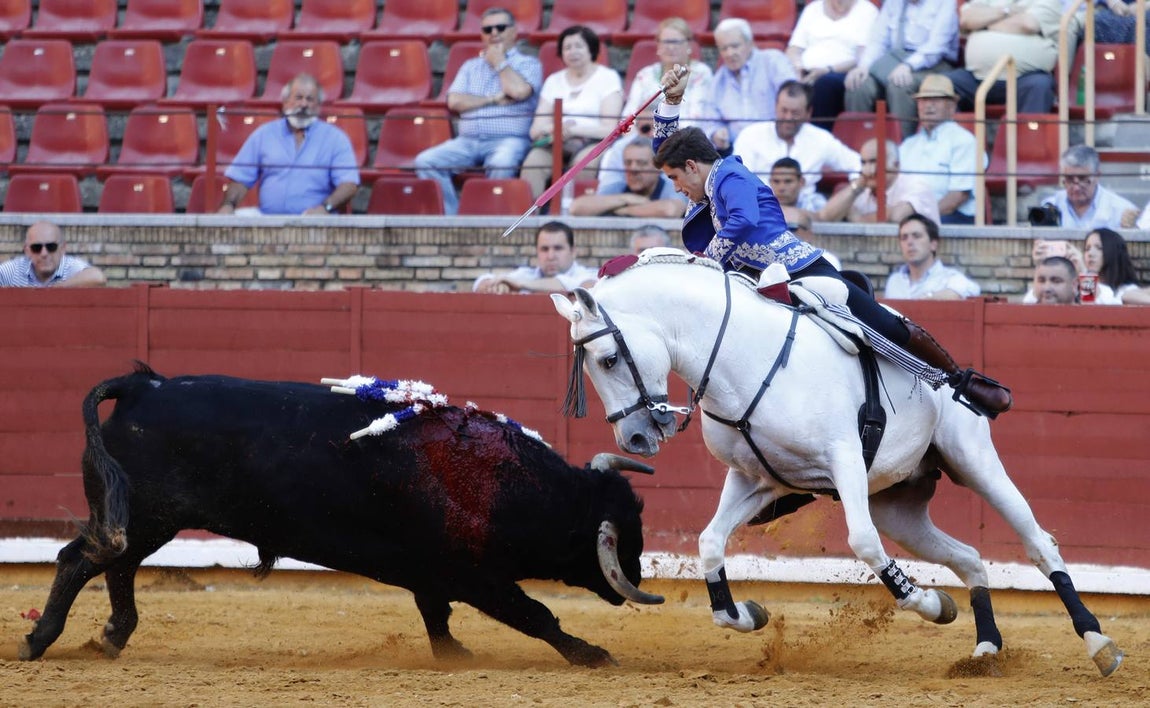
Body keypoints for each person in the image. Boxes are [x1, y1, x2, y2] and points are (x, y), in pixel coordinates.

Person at [652, 65, 1011, 418]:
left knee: (876, 325)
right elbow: (665, 149)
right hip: (758, 280)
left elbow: (744, 219)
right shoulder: (707, 181)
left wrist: (705, 263)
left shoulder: (730, 175)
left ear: (692, 166)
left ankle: (957, 380)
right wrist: (671, 100)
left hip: (801, 272)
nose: (676, 187)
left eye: (675, 178)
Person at [415, 8, 543, 216]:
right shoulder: (470, 66)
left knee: (501, 162)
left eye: (500, 27)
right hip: (467, 141)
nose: (494, 33)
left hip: (508, 139)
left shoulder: (529, 64)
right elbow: (454, 101)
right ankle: (453, 221)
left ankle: (493, 219)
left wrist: (499, 63)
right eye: (487, 29)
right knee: (426, 161)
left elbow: (519, 91)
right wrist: (492, 99)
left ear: (514, 31)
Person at [219, 73, 359, 215]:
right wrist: (228, 205)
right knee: (231, 221)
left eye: (310, 99)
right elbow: (240, 178)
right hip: (267, 218)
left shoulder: (335, 138)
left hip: (314, 221)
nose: (304, 104)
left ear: (318, 106)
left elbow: (349, 184)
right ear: (285, 103)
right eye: (298, 98)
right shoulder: (264, 134)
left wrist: (325, 208)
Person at [519, 25, 623, 200]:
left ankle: (571, 215)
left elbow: (610, 129)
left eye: (578, 46)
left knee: (582, 165)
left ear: (591, 49)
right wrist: (555, 129)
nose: (572, 52)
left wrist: (573, 129)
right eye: (567, 47)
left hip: (593, 141)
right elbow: (535, 129)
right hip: (556, 140)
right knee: (532, 164)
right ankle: (529, 218)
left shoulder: (608, 78)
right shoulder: (554, 81)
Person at [733, 80, 861, 209]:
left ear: (808, 113)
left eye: (795, 113)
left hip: (806, 210)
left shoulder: (821, 139)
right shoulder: (750, 135)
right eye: (784, 110)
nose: (788, 117)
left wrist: (856, 188)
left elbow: (857, 164)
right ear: (775, 106)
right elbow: (738, 181)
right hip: (760, 208)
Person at [844, 0, 960, 139]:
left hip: (932, 64)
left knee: (901, 84)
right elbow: (878, 40)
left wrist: (908, 65)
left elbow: (936, 47)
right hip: (894, 61)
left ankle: (903, 148)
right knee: (858, 84)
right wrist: (863, 66)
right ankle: (863, 149)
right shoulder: (893, 2)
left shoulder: (945, 3)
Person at [698, 18, 796, 156]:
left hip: (777, 144)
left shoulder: (773, 61)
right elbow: (709, 120)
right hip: (737, 151)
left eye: (735, 46)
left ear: (750, 43)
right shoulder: (718, 80)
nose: (729, 53)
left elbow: (794, 98)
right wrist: (716, 134)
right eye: (724, 48)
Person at [944, 0, 1062, 114]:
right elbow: (966, 19)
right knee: (944, 85)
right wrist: (1006, 11)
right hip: (976, 78)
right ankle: (954, 134)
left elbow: (1028, 24)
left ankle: (1028, 135)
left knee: (1039, 85)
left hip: (1024, 79)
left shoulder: (1048, 1)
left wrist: (984, 25)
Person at [897, 74, 981, 225]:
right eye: (923, 100)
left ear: (952, 106)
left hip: (953, 216)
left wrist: (919, 217)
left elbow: (958, 197)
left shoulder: (964, 141)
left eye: (935, 100)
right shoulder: (908, 145)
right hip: (911, 217)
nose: (928, 105)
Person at [785, 0, 879, 130]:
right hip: (805, 72)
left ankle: (818, 140)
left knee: (825, 85)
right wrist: (797, 67)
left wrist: (828, 70)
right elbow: (794, 49)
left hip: (842, 73)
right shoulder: (813, 9)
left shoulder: (867, 11)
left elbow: (862, 58)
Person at [818, 137, 940, 224]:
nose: (868, 170)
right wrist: (856, 186)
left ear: (896, 165)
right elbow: (825, 217)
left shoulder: (917, 184)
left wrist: (860, 220)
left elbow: (898, 216)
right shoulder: (863, 188)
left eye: (874, 162)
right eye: (864, 163)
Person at [620, 17, 713, 130]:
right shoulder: (644, 74)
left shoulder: (701, 73)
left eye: (676, 42)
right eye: (666, 42)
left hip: (683, 139)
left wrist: (661, 131)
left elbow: (697, 120)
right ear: (658, 45)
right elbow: (628, 116)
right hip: (643, 138)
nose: (671, 47)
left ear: (688, 44)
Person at [569, 137, 687, 218]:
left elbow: (670, 210)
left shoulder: (673, 185)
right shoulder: (619, 186)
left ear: (658, 167)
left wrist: (621, 210)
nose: (633, 169)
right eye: (628, 163)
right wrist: (626, 199)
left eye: (641, 163)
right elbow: (576, 207)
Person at [1028, 229, 1150, 305]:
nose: (1090, 254)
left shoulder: (1125, 291)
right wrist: (1041, 266)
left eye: (1099, 248)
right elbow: (1030, 301)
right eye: (1087, 248)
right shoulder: (1073, 287)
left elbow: (1092, 302)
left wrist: (1082, 270)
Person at [473, 221, 598, 294]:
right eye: (544, 249)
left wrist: (521, 285)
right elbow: (481, 283)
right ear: (536, 251)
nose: (550, 256)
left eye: (558, 248)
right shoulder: (527, 275)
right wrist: (497, 285)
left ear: (573, 251)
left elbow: (583, 286)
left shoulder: (588, 275)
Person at [1040, 145, 1138, 230]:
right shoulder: (1049, 206)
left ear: (1097, 176)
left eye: (1083, 179)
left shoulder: (1121, 211)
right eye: (1069, 179)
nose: (1076, 188)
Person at [883, 213, 980, 299]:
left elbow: (973, 290)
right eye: (904, 238)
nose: (909, 242)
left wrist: (930, 297)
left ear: (933, 244)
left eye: (916, 236)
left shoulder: (949, 278)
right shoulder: (894, 281)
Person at [0, 221, 107, 288]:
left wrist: (56, 289)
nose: (44, 253)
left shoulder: (70, 267)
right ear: (27, 251)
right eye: (36, 248)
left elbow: (98, 277)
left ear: (63, 249)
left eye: (51, 247)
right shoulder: (14, 270)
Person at [768, 158, 816, 238]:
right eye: (776, 181)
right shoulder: (760, 204)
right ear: (770, 182)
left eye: (788, 181)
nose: (781, 188)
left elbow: (822, 220)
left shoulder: (815, 201)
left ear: (801, 182)